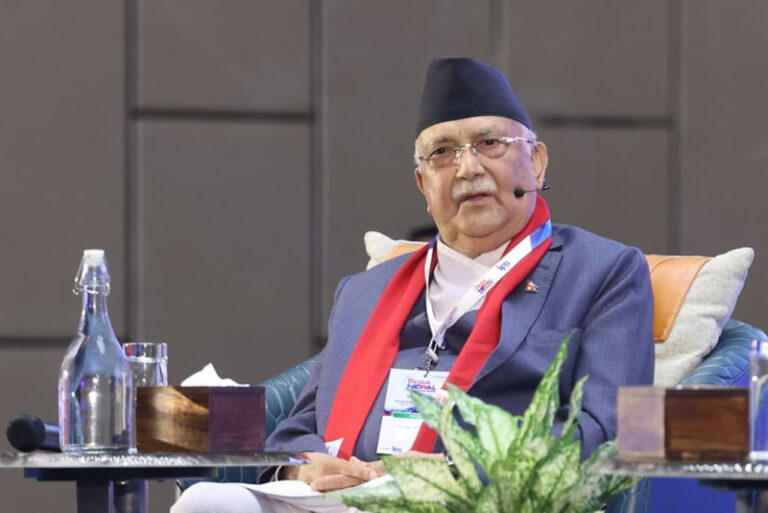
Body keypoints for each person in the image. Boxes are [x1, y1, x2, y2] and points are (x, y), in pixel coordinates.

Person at [172, 57, 654, 512]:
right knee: (206, 503)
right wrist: (301, 468)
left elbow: (606, 428)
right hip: (335, 499)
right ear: (423, 184)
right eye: (442, 153)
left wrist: (451, 473)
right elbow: (298, 425)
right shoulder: (363, 292)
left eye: (490, 143)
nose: (468, 169)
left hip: (475, 500)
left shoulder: (602, 271)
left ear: (538, 162)